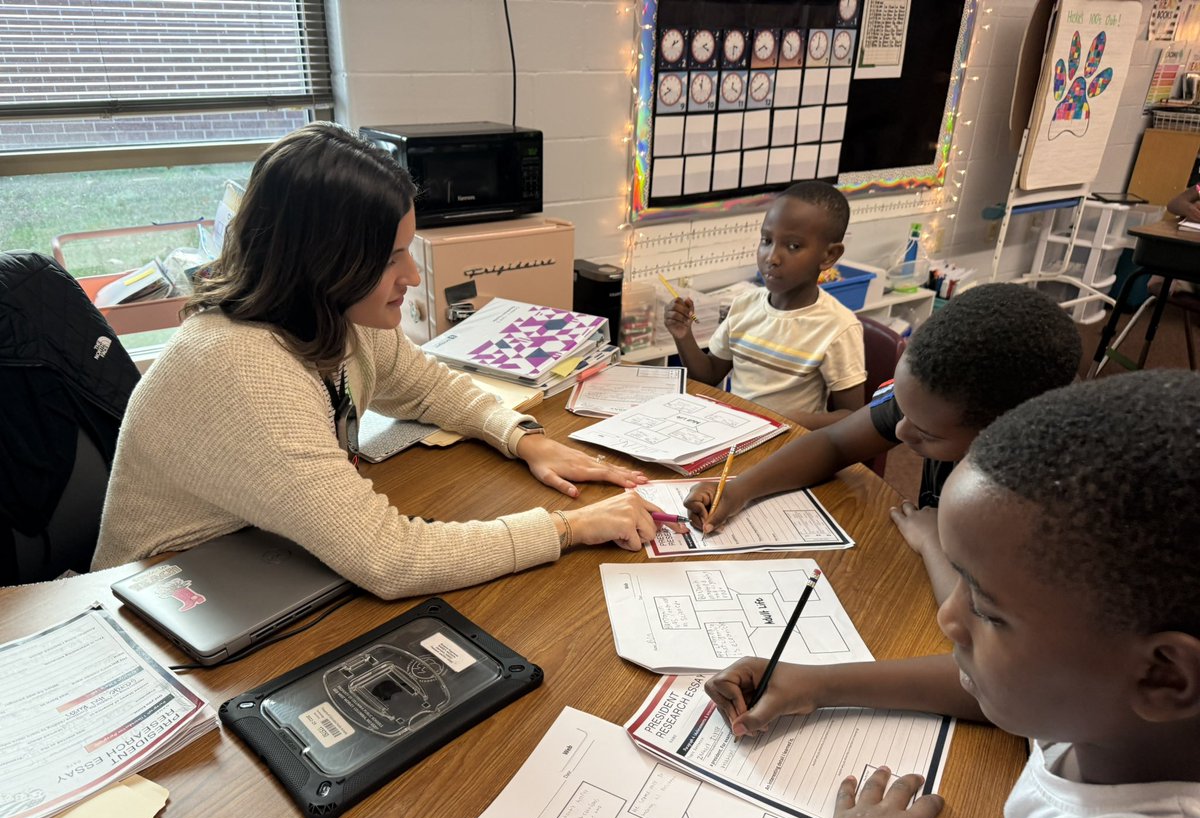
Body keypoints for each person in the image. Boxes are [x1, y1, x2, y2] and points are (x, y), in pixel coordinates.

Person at [92, 123, 680, 599]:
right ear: (326, 260)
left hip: (256, 557)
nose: (414, 276)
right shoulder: (241, 367)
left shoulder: (331, 315)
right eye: (392, 257)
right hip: (167, 596)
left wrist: (523, 437)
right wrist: (569, 527)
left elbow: (425, 387)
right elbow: (391, 560)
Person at [704, 370, 1200, 818]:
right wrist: (817, 684)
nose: (948, 618)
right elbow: (993, 681)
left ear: (1163, 676)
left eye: (987, 610)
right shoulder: (1102, 710)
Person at [684, 282, 1081, 607]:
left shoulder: (1043, 496)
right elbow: (832, 444)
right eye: (902, 411)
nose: (902, 434)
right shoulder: (934, 401)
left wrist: (932, 543)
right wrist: (739, 490)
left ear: (1004, 432)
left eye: (926, 435)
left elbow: (975, 622)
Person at [663, 181, 866, 429]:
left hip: (789, 447)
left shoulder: (838, 327)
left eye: (793, 246)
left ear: (829, 256)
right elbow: (707, 376)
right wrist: (683, 336)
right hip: (735, 432)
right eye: (767, 240)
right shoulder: (744, 305)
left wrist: (792, 421)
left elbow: (852, 416)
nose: (772, 258)